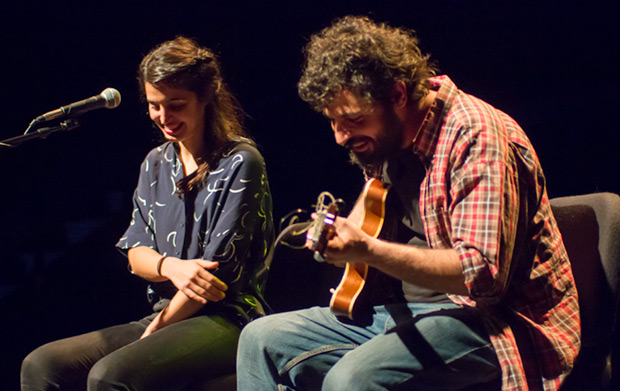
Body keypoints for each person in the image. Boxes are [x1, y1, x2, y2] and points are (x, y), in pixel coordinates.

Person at [237, 16, 579, 391]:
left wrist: (368, 249)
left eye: (352, 119)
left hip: (492, 321)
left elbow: (481, 276)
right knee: (260, 339)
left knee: (350, 380)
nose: (339, 137)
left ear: (398, 95)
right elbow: (371, 212)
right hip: (399, 312)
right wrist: (340, 240)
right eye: (332, 121)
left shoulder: (476, 137)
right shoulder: (388, 139)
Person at [21, 36, 274, 391]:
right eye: (155, 106)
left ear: (207, 97)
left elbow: (213, 280)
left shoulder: (241, 161)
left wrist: (161, 324)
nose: (164, 117)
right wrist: (170, 266)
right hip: (164, 312)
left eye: (176, 105)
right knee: (41, 364)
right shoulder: (156, 163)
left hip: (227, 319)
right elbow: (135, 254)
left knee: (110, 375)